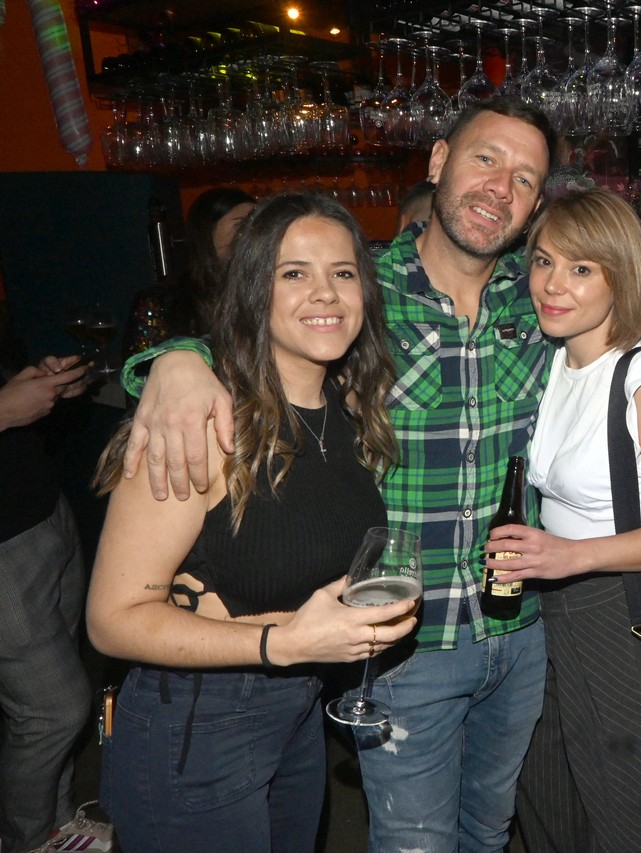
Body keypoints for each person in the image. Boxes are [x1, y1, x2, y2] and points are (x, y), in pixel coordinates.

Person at [116, 97, 641, 853]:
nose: (500, 187)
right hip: (407, 643)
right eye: (485, 159)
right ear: (438, 161)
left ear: (536, 205)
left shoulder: (538, 295)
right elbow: (254, 331)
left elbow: (623, 329)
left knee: (492, 832)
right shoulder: (358, 288)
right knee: (416, 842)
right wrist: (174, 361)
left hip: (522, 635)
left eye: (524, 178)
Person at [87, 191, 418, 852]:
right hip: (195, 728)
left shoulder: (344, 409)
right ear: (252, 289)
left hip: (296, 713)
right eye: (294, 272)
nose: (325, 293)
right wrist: (282, 643)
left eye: (343, 272)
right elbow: (112, 619)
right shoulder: (198, 425)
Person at [482, 188, 641, 852]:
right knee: (549, 804)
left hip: (623, 614)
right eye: (544, 262)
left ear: (622, 275)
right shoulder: (553, 359)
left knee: (628, 819)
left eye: (582, 269)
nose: (553, 285)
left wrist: (572, 556)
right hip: (547, 615)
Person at [0, 321, 91, 853]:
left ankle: (57, 827)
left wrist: (38, 383)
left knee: (63, 689)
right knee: (54, 711)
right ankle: (27, 842)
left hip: (43, 507)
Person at [122, 187, 255, 357]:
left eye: (259, 225)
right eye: (241, 225)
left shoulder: (266, 291)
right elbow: (141, 367)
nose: (253, 234)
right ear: (207, 232)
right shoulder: (164, 301)